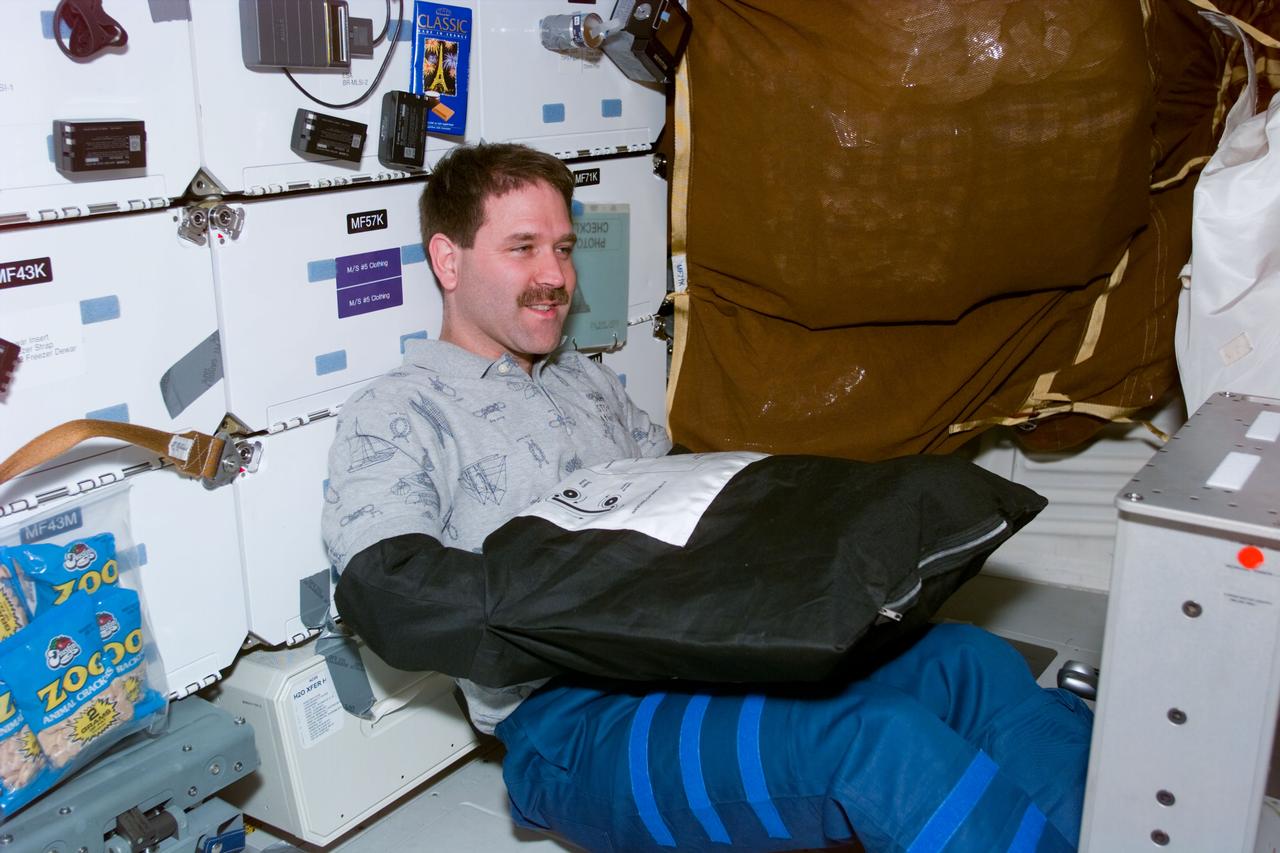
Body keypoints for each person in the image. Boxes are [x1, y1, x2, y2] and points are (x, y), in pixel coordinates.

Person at [321, 142, 1094, 852]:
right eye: (522, 248)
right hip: (572, 726)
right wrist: (584, 610)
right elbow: (385, 588)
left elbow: (691, 510)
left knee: (973, 660)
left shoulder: (584, 380)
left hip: (689, 661)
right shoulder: (400, 410)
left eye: (562, 247)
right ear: (448, 261)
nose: (556, 275)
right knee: (875, 738)